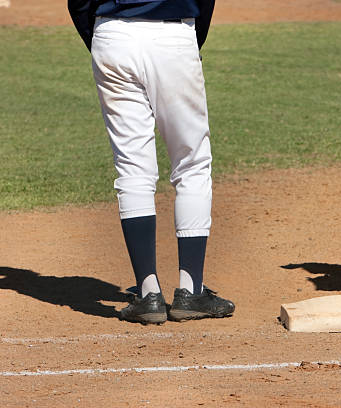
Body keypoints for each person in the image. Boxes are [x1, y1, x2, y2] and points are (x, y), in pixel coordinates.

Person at [67, 0, 235, 324]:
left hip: (111, 34)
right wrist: (190, 39)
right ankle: (191, 290)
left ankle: (148, 294)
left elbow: (78, 2)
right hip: (171, 33)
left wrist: (103, 36)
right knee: (192, 162)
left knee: (131, 166)